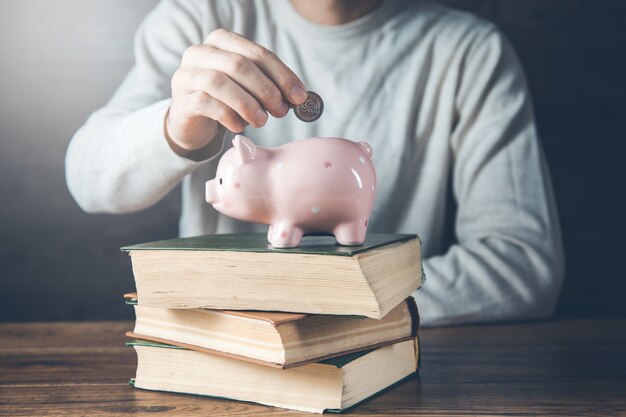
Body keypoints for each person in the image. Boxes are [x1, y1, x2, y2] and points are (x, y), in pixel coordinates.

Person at [65, 0, 564, 326]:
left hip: (395, 357)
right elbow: (89, 180)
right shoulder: (198, 18)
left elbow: (523, 265)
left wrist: (341, 308)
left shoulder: (469, 52)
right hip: (234, 345)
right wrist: (178, 126)